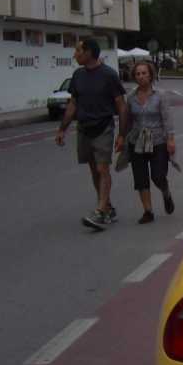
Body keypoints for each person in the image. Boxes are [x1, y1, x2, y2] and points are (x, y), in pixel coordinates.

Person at [55, 38, 127, 231]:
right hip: (84, 129)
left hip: (103, 127)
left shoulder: (109, 75)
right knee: (94, 170)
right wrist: (63, 128)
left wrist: (122, 135)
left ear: (88, 53)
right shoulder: (78, 75)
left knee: (103, 169)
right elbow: (73, 104)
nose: (75, 55)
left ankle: (101, 211)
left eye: (78, 51)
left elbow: (121, 105)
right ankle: (107, 206)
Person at [120, 60, 176, 223]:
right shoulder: (130, 98)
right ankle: (148, 211)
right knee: (140, 177)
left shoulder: (160, 96)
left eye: (144, 73)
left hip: (158, 141)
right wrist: (122, 137)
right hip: (137, 142)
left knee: (158, 175)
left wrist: (170, 139)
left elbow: (167, 119)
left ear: (150, 75)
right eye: (138, 74)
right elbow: (127, 120)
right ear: (134, 77)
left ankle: (165, 191)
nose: (141, 76)